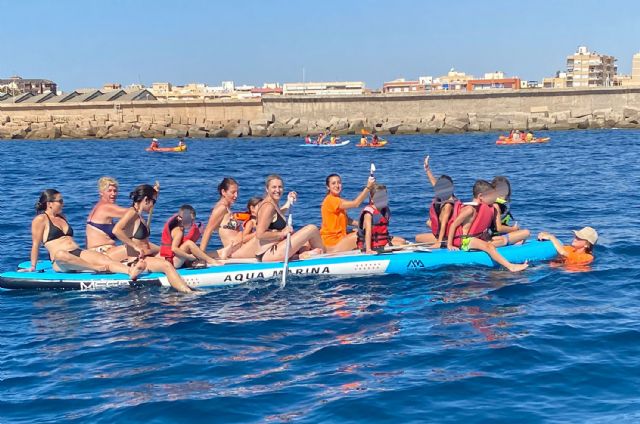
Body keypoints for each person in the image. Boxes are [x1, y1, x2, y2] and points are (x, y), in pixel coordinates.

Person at [23, 189, 145, 280]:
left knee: (104, 259)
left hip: (77, 252)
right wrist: (33, 266)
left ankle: (131, 271)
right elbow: (35, 244)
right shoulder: (40, 220)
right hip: (60, 260)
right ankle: (95, 268)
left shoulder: (62, 217)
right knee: (61, 254)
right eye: (60, 201)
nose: (63, 203)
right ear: (49, 204)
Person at [113, 184, 193, 293]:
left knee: (175, 253)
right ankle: (188, 292)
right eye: (153, 202)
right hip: (138, 260)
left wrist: (155, 193)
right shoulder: (132, 213)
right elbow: (116, 230)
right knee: (167, 265)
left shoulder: (139, 214)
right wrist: (134, 246)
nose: (153, 206)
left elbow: (149, 203)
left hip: (147, 256)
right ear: (146, 200)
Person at [446, 180, 529, 272]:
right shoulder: (469, 209)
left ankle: (515, 246)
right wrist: (450, 245)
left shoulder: (484, 208)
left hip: (477, 238)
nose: (494, 198)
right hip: (466, 241)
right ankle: (511, 266)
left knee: (512, 236)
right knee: (489, 247)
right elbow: (453, 225)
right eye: (491, 196)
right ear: (481, 196)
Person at [255, 174, 324, 262]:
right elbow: (260, 234)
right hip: (269, 253)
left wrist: (288, 201)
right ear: (267, 189)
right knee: (312, 229)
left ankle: (303, 256)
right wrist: (282, 233)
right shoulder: (268, 206)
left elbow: (278, 215)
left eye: (280, 187)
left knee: (306, 242)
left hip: (274, 250)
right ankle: (325, 257)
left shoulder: (272, 204)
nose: (277, 190)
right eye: (274, 187)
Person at [200, 178, 254, 259]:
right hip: (235, 250)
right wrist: (201, 255)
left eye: (237, 192)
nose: (236, 196)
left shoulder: (227, 208)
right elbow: (208, 230)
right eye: (233, 192)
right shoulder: (221, 208)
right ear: (223, 192)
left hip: (240, 246)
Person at [320, 173, 375, 252]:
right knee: (362, 234)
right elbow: (356, 204)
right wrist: (368, 187)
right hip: (332, 242)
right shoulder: (331, 200)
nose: (337, 185)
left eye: (339, 182)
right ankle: (370, 250)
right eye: (333, 183)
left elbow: (347, 220)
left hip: (339, 238)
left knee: (357, 231)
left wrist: (360, 224)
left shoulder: (337, 200)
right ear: (328, 187)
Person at [416, 156, 458, 247]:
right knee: (427, 224)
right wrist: (427, 169)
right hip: (443, 234)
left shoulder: (448, 204)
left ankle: (443, 242)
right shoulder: (445, 194)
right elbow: (433, 181)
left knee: (418, 238)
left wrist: (438, 242)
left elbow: (444, 224)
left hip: (446, 236)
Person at [86, 176, 129, 261]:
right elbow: (133, 212)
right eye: (109, 191)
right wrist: (148, 199)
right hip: (102, 254)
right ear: (101, 192)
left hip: (95, 253)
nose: (113, 194)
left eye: (115, 191)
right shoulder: (106, 207)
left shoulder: (98, 206)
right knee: (142, 246)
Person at [356, 184, 406, 254]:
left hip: (383, 240)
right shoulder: (368, 213)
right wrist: (368, 249)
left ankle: (386, 246)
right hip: (372, 244)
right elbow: (368, 232)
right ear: (372, 200)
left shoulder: (385, 210)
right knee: (401, 245)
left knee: (402, 240)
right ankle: (382, 249)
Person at [489, 176, 530, 247]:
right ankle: (507, 243)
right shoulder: (496, 205)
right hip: (494, 237)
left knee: (521, 234)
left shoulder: (498, 204)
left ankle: (512, 242)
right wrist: (513, 229)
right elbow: (499, 228)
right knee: (526, 233)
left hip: (496, 235)